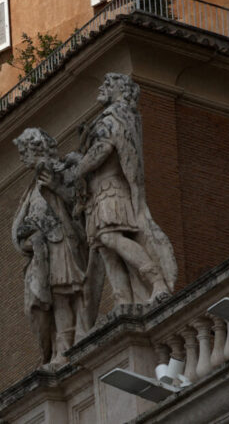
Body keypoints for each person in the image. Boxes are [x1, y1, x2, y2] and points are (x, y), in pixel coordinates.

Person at [71, 73, 176, 308]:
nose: (102, 87)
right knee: (105, 248)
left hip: (112, 189)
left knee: (109, 237)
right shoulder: (113, 116)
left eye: (108, 84)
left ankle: (155, 280)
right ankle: (123, 302)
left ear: (121, 89)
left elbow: (102, 150)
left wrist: (78, 169)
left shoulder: (115, 116)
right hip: (97, 195)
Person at [12, 128, 98, 366]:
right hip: (46, 247)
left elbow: (80, 200)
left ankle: (74, 342)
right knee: (57, 298)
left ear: (36, 148)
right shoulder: (31, 187)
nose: (21, 158)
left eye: (23, 151)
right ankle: (62, 348)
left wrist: (55, 187)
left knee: (69, 292)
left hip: (64, 240)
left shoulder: (62, 170)